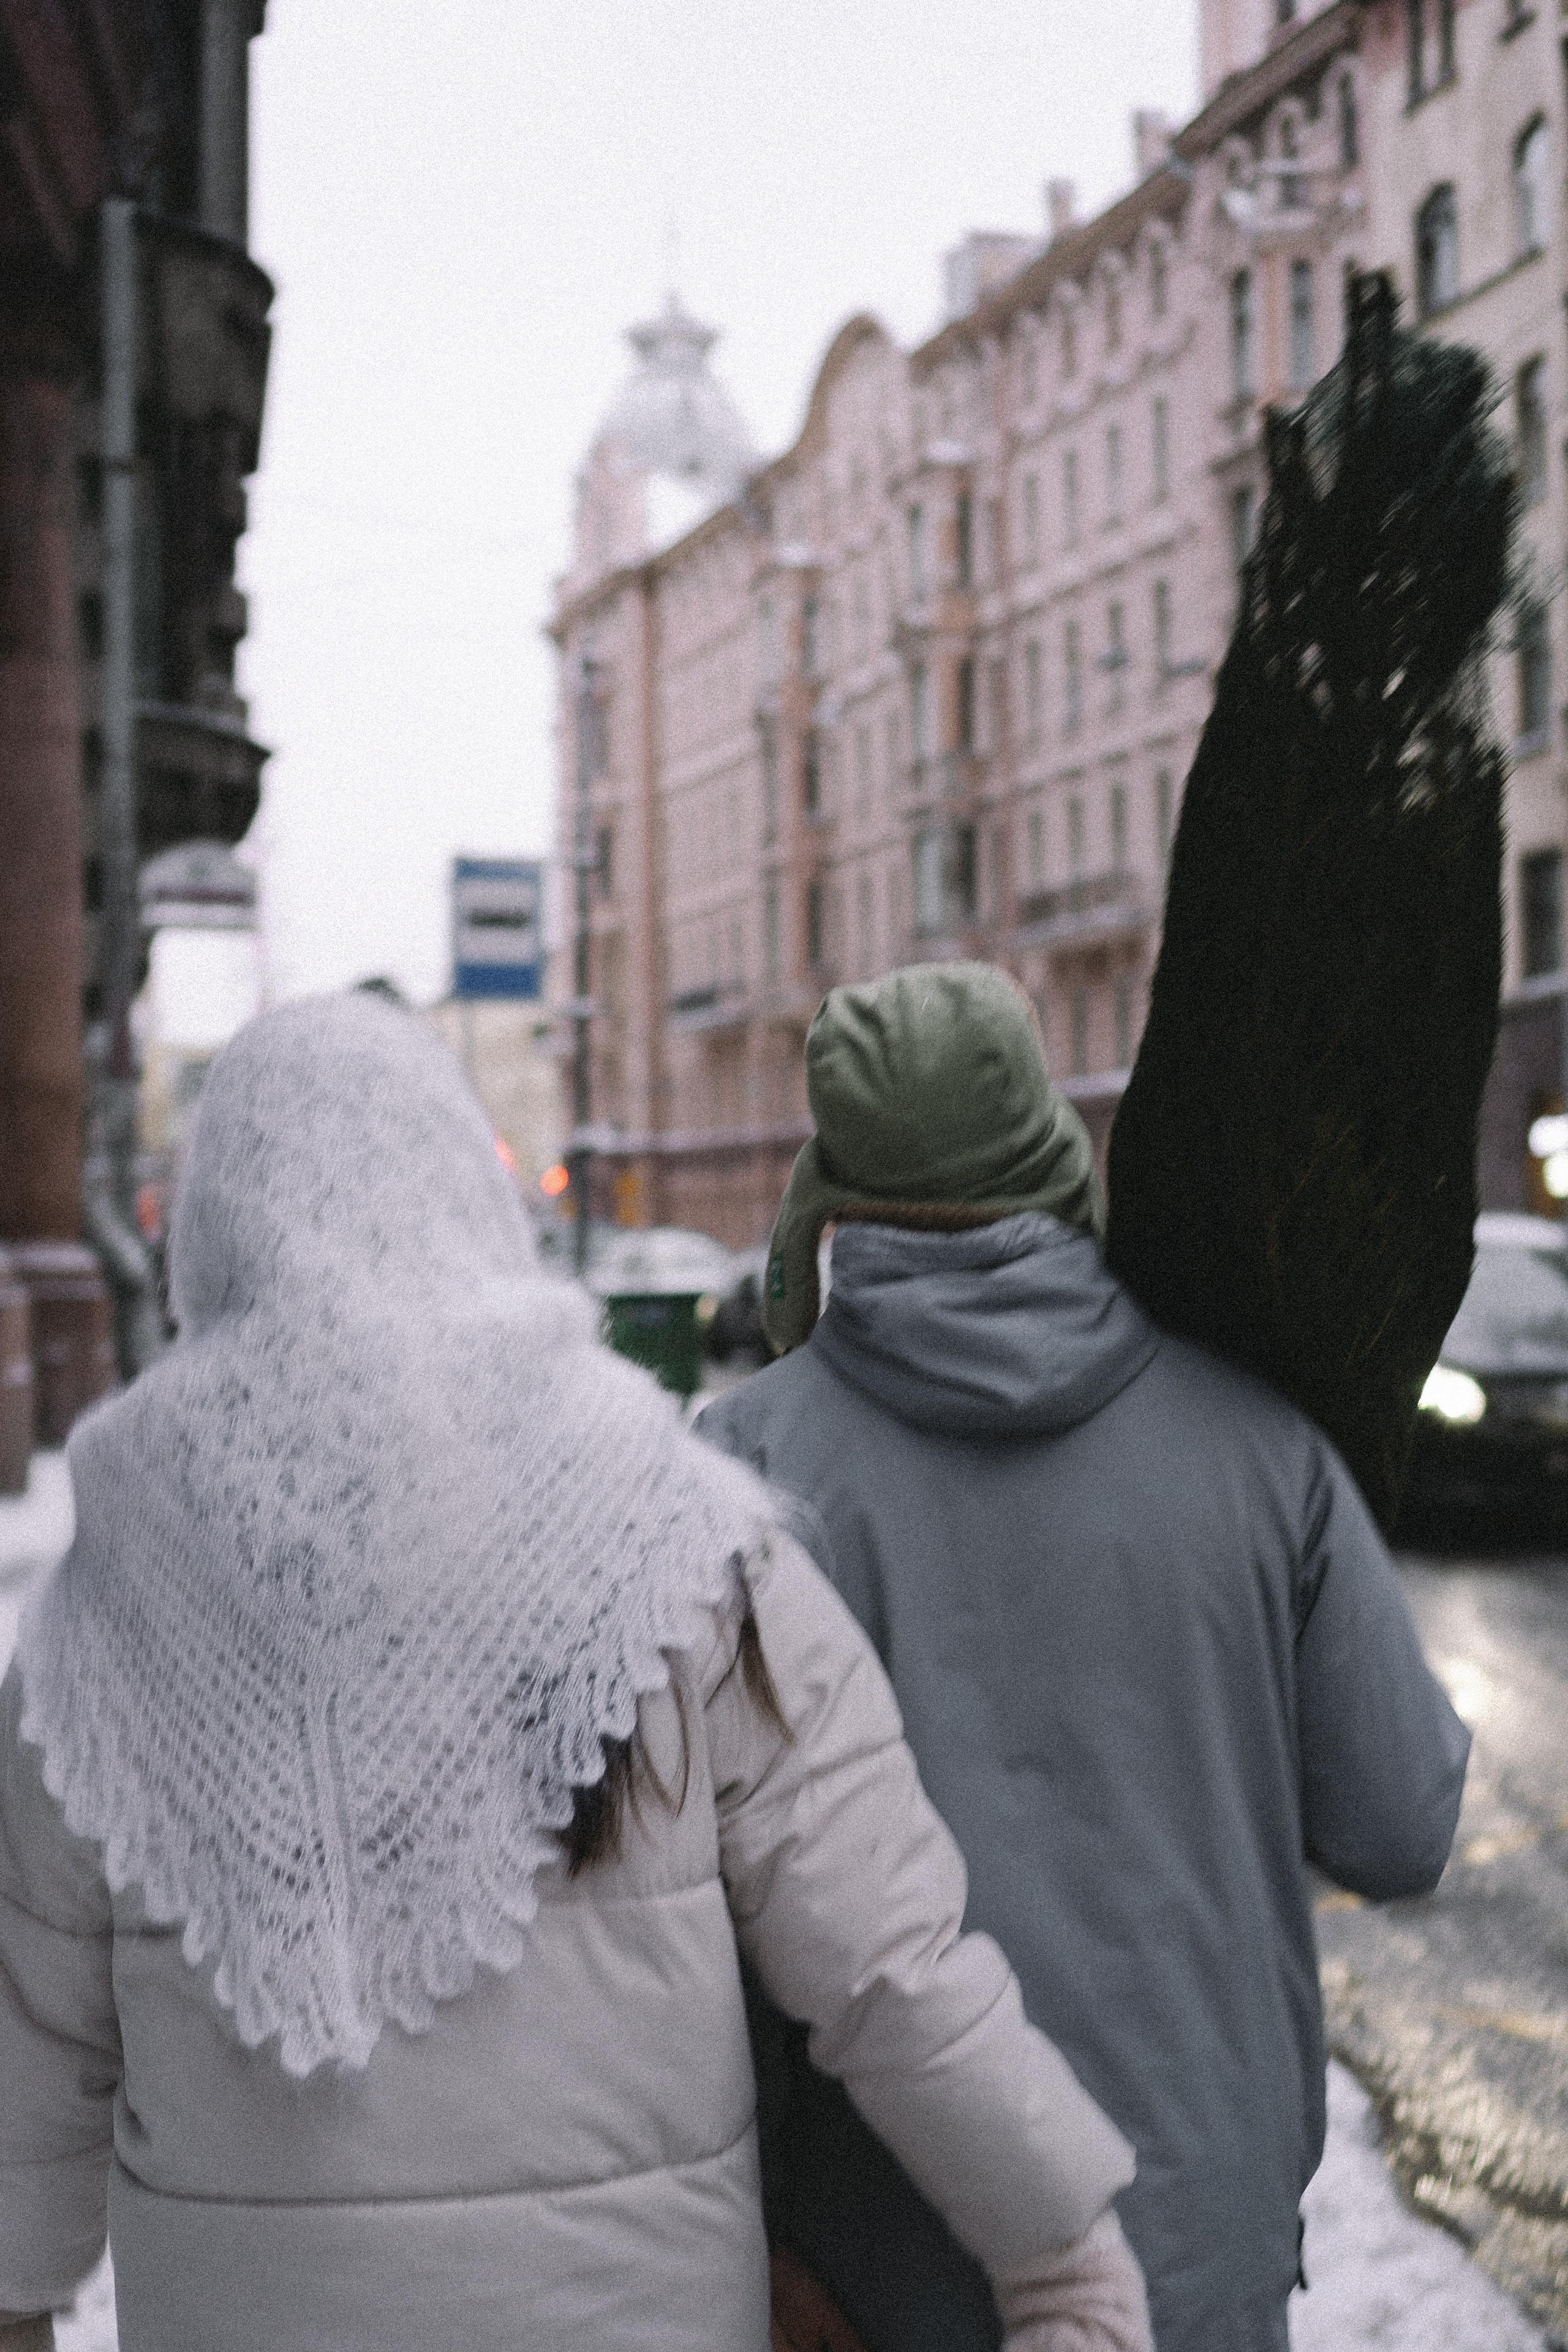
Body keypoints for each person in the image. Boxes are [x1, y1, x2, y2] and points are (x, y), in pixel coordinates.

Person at [0, 992, 1150, 2352]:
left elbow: (34, 2040)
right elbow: (888, 1962)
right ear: (467, 1203)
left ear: (213, 1241)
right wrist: (1061, 2256)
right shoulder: (673, 1538)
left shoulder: (108, 1605)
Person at [699, 962, 1472, 2352]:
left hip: (868, 2271)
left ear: (832, 1193)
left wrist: (757, 2252)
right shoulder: (1261, 1451)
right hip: (1196, 2250)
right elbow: (1402, 1825)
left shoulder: (737, 1480)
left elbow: (667, 1932)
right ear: (1054, 1152)